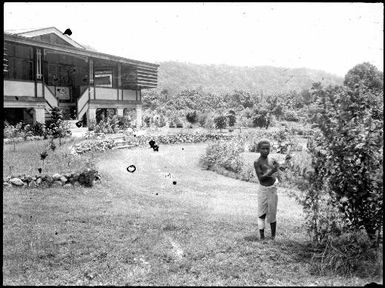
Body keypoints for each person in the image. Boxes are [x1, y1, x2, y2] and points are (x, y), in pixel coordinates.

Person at [254, 140, 279, 241]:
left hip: (272, 189)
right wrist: (272, 170)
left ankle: (273, 236)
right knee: (261, 212)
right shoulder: (257, 162)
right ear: (258, 149)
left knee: (272, 212)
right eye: (263, 148)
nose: (265, 150)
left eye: (267, 148)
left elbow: (278, 168)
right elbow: (261, 178)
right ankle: (262, 235)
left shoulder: (272, 159)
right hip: (263, 190)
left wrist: (280, 166)